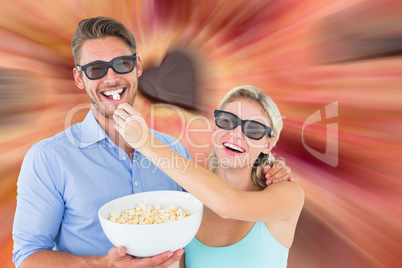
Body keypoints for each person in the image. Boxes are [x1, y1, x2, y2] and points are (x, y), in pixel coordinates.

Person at [12, 17, 293, 268]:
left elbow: (222, 206)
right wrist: (103, 264)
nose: (111, 78)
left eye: (121, 64)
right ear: (79, 77)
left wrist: (267, 172)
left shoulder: (175, 152)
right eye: (96, 69)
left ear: (138, 67)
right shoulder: (48, 158)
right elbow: (27, 257)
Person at [113, 85, 305, 267]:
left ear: (268, 145)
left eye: (254, 129)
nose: (236, 134)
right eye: (227, 121)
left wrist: (146, 143)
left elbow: (227, 205)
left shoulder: (288, 194)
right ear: (215, 128)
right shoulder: (187, 205)